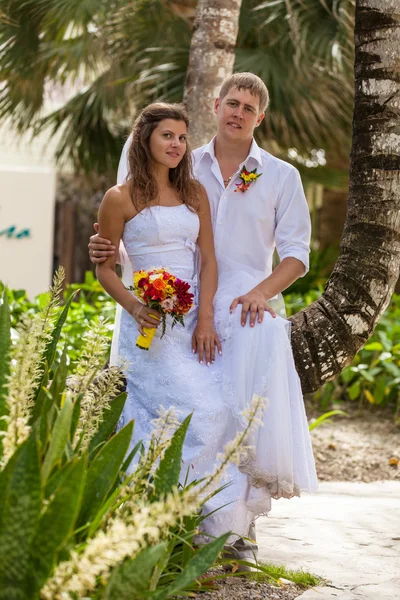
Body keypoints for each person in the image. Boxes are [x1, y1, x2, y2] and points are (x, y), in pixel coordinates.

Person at [90, 73, 318, 564]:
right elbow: (117, 248)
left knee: (238, 415)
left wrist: (256, 296)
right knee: (192, 410)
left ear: (261, 117)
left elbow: (296, 252)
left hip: (238, 312)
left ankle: (236, 528)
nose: (238, 113)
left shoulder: (279, 175)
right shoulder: (183, 167)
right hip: (173, 314)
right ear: (216, 106)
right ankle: (155, 516)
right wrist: (117, 273)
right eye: (231, 103)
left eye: (249, 108)